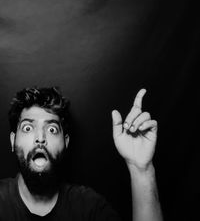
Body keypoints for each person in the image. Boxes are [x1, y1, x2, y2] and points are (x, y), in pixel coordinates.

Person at [0, 87, 163, 221]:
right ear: (13, 141)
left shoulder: (89, 207)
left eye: (52, 129)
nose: (40, 138)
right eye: (28, 128)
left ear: (66, 142)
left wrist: (142, 170)